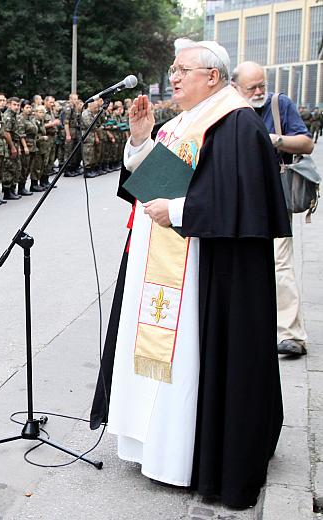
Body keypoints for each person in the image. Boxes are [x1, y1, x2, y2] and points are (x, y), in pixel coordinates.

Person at [90, 39, 290, 508]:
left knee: (194, 361)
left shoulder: (235, 121)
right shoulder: (184, 122)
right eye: (173, 69)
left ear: (213, 76)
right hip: (164, 264)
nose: (173, 77)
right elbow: (153, 185)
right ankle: (153, 442)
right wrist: (141, 139)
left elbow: (240, 200)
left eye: (183, 70)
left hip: (207, 271)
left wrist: (180, 210)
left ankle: (190, 452)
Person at [231, 61, 315, 356]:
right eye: (251, 87)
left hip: (273, 195)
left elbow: (306, 143)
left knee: (280, 263)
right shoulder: (228, 111)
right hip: (237, 198)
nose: (258, 92)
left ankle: (291, 334)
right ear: (235, 88)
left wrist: (272, 140)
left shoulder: (280, 105)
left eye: (261, 85)